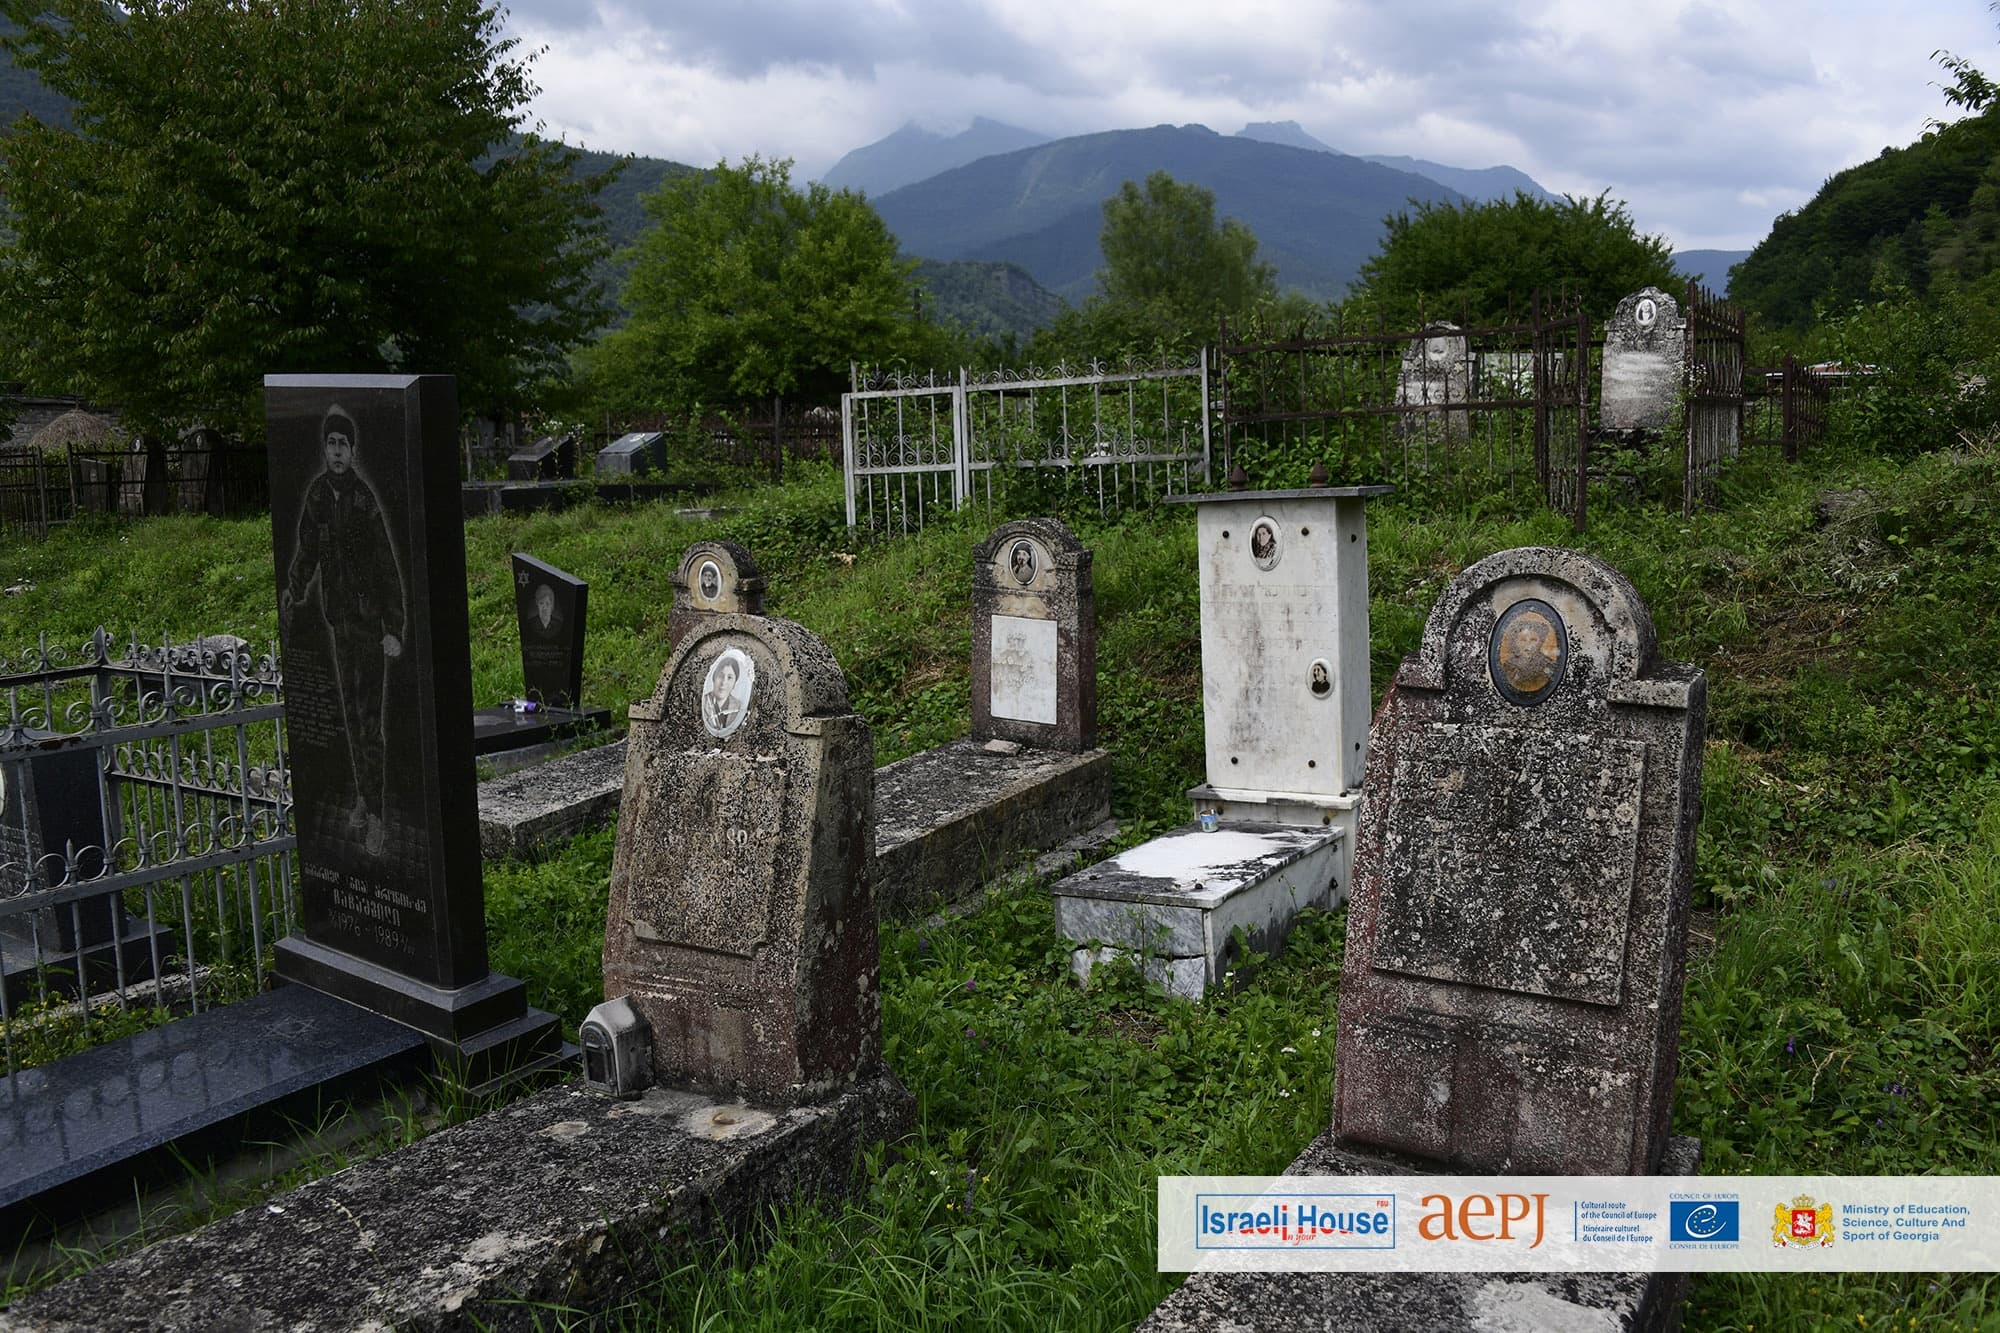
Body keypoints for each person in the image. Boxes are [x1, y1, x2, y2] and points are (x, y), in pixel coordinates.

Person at [280, 404, 405, 858]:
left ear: (353, 451)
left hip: (370, 627)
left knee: (370, 723)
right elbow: (307, 551)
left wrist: (394, 627)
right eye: (331, 444)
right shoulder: (317, 496)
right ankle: (362, 798)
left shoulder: (363, 498)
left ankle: (376, 817)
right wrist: (293, 591)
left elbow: (388, 566)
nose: (336, 452)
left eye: (343, 445)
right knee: (352, 717)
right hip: (340, 627)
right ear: (325, 448)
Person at [703, 652, 749, 734]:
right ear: (714, 678)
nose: (724, 682)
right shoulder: (705, 701)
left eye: (730, 677)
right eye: (720, 676)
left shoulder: (738, 706)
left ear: (734, 683)